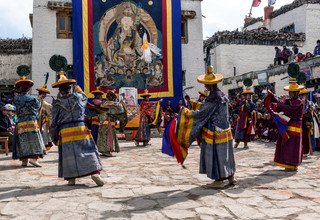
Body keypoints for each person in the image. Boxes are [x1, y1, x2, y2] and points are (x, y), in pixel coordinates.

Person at [162, 66, 236, 188]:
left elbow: (203, 113)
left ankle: (219, 180)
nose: (205, 87)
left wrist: (185, 113)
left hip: (215, 131)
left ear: (208, 85)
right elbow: (209, 109)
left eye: (206, 85)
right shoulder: (221, 95)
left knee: (217, 154)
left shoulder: (213, 97)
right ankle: (231, 178)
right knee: (227, 154)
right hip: (226, 129)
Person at [51, 72, 104, 186]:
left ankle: (71, 178)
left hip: (65, 131)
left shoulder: (57, 103)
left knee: (69, 154)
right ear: (71, 88)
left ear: (60, 90)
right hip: (80, 127)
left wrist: (54, 136)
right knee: (87, 150)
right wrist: (79, 90)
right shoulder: (79, 98)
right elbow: (84, 97)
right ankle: (95, 172)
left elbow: (54, 121)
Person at [264, 80, 304, 171]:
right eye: (289, 92)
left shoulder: (299, 102)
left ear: (296, 93)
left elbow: (289, 109)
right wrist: (272, 96)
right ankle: (287, 163)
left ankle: (292, 164)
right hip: (288, 126)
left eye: (291, 92)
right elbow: (279, 102)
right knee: (287, 145)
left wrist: (279, 104)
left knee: (293, 146)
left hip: (295, 127)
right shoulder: (289, 101)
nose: (289, 94)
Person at [12, 76, 45, 167]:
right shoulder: (33, 99)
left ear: (20, 88)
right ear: (29, 88)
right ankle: (34, 159)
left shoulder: (15, 99)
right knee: (34, 140)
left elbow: (14, 110)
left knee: (22, 141)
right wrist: (40, 98)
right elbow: (38, 109)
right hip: (31, 122)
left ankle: (24, 160)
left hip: (21, 122)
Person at [97, 90, 120, 157]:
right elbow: (117, 114)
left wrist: (101, 121)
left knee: (103, 137)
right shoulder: (114, 105)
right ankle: (108, 151)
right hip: (109, 123)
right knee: (109, 136)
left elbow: (100, 113)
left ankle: (103, 150)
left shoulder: (103, 104)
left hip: (103, 122)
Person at [299, 88, 319, 156]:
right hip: (301, 122)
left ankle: (310, 150)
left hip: (309, 122)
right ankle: (302, 150)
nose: (305, 96)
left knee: (310, 136)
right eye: (303, 95)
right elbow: (302, 112)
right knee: (302, 136)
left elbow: (314, 111)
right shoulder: (299, 103)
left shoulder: (310, 102)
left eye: (306, 95)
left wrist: (312, 109)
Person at [36, 75, 53, 151]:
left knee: (45, 133)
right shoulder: (37, 100)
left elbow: (48, 109)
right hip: (37, 120)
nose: (45, 95)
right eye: (44, 93)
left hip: (43, 121)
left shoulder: (44, 102)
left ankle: (43, 147)